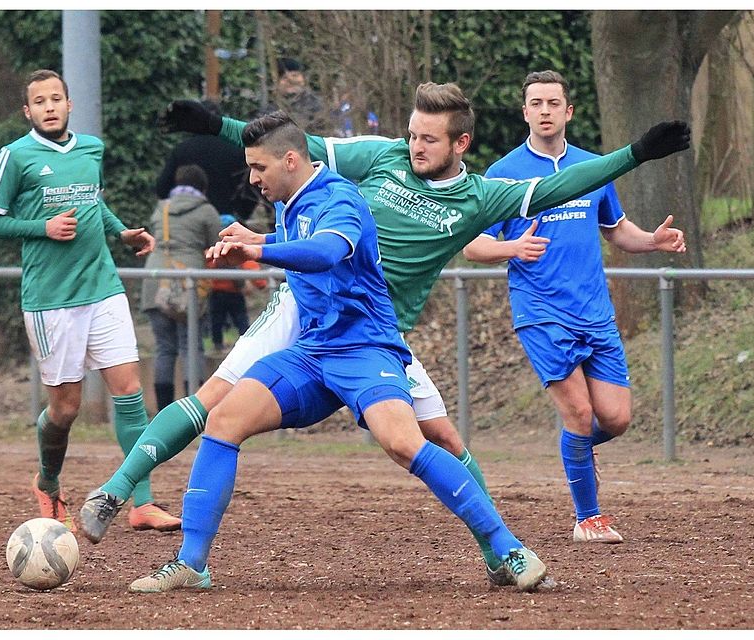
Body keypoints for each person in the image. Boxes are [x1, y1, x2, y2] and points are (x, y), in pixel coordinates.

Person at [79, 84, 689, 587]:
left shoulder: (474, 198)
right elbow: (293, 146)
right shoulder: (379, 160)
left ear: (461, 143)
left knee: (429, 441)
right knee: (219, 408)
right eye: (412, 133)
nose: (415, 145)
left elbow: (561, 188)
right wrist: (215, 123)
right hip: (310, 319)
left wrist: (635, 153)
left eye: (428, 138)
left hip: (373, 336)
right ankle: (165, 537)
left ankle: (503, 551)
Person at [462, 70, 688, 544]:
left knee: (617, 418)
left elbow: (616, 230)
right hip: (541, 312)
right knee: (580, 415)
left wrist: (652, 241)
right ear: (525, 112)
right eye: (535, 103)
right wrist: (510, 250)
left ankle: (577, 451)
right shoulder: (502, 174)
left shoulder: (594, 167)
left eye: (553, 103)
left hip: (595, 311)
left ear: (568, 112)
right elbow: (472, 246)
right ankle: (588, 518)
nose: (544, 110)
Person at [0, 69, 181, 534]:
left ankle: (142, 502)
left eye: (56, 99)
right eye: (39, 101)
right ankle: (48, 483)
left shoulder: (92, 148)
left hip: (102, 287)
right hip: (51, 299)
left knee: (129, 393)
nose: (49, 106)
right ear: (27, 111)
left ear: (70, 105)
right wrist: (41, 228)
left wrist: (120, 230)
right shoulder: (14, 157)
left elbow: (94, 201)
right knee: (66, 408)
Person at [140, 164, 221, 410]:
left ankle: (163, 411)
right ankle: (192, 409)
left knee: (164, 348)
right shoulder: (206, 211)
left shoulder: (161, 208)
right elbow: (217, 245)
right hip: (188, 284)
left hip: (156, 280)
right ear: (203, 187)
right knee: (191, 345)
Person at [154, 100, 260, 221]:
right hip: (228, 220)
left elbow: (162, 188)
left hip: (190, 220)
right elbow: (252, 188)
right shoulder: (238, 150)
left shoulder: (182, 150)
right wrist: (241, 215)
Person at [207, 214, 265, 354]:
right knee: (240, 319)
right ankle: (246, 346)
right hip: (234, 291)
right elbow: (251, 265)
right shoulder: (239, 248)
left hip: (217, 291)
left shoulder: (213, 248)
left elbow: (207, 265)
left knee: (217, 319)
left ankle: (218, 345)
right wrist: (261, 283)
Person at [273, 57, 328, 134]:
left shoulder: (319, 106)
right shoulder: (271, 111)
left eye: (295, 75)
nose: (291, 80)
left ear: (303, 79)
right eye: (284, 78)